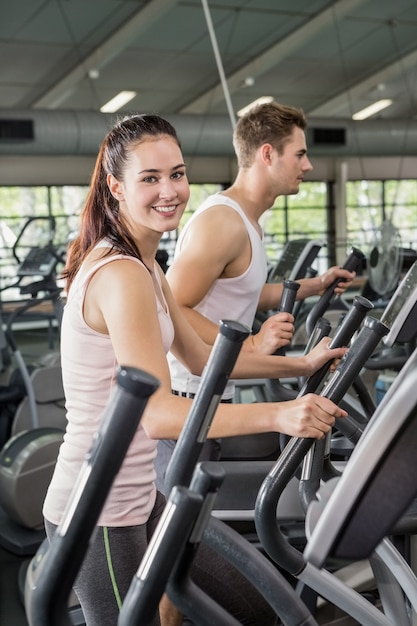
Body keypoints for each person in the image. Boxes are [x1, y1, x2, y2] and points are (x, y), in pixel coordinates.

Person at [42, 113, 347, 626]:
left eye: (177, 174)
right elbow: (157, 416)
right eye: (150, 178)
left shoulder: (147, 265)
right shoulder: (119, 273)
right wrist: (280, 415)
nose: (170, 191)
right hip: (98, 512)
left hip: (141, 497)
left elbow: (205, 361)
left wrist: (300, 364)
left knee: (257, 607)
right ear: (116, 187)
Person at [156, 101, 355, 489]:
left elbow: (240, 290)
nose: (308, 165)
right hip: (188, 402)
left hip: (212, 393)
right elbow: (173, 303)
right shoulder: (222, 222)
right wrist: (252, 342)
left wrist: (315, 285)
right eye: (299, 154)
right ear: (268, 154)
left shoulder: (247, 223)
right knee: (177, 536)